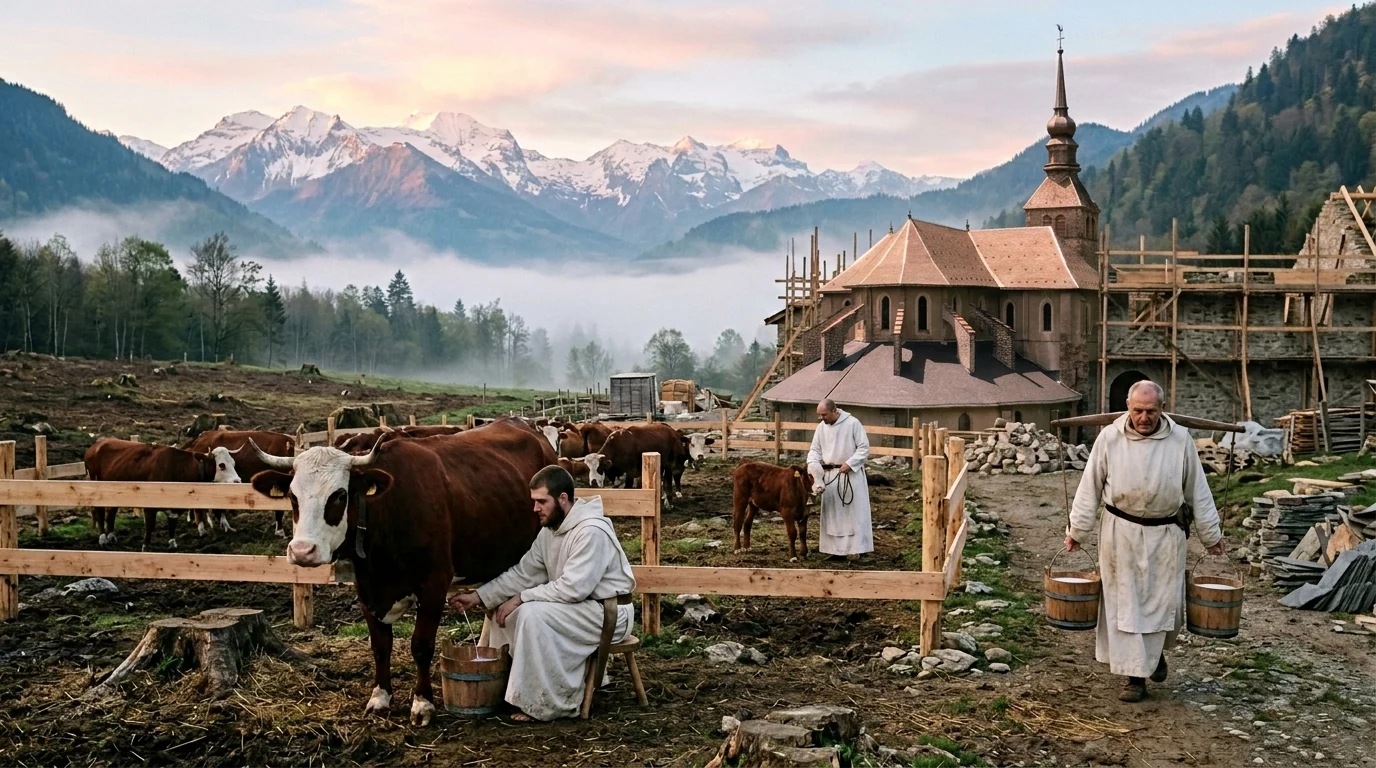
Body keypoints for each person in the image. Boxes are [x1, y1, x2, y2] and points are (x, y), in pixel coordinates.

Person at [1066, 379, 1225, 703]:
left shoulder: (1180, 440)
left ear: (1161, 409)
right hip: (1120, 534)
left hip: (1166, 536)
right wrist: (1077, 530)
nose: (1144, 417)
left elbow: (1199, 490)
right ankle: (1134, 678)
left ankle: (1153, 658)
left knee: (1162, 604)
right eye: (1138, 410)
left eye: (1150, 411)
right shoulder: (1110, 438)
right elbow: (1089, 487)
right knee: (1125, 606)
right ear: (1128, 407)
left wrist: (1212, 536)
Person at [448, 465, 636, 722]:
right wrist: (479, 597)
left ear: (562, 498)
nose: (535, 508)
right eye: (534, 501)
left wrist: (521, 598)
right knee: (501, 611)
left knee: (530, 614)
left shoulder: (591, 531)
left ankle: (544, 703)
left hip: (608, 614)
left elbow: (573, 588)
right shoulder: (550, 533)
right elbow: (522, 574)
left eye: (541, 501)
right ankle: (504, 690)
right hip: (578, 610)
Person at [806, 398, 873, 559]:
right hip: (829, 476)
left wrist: (850, 463)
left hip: (850, 476)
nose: (822, 418)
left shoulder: (852, 423)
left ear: (834, 411)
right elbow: (814, 450)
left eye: (824, 414)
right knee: (833, 513)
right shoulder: (821, 428)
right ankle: (835, 551)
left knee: (854, 513)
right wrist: (813, 463)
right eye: (820, 415)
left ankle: (857, 550)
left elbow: (864, 448)